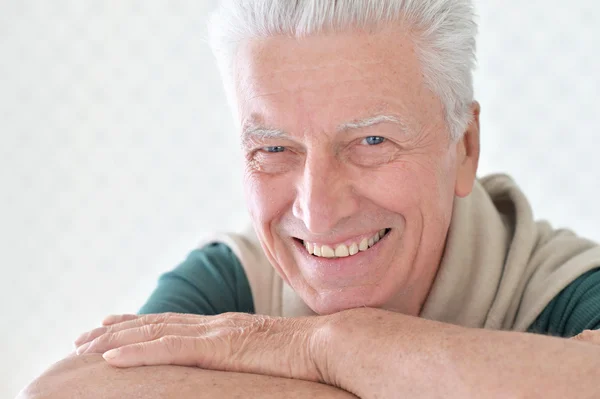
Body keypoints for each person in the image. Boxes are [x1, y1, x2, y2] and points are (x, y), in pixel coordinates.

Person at [19, 1, 600, 398]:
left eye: (371, 141)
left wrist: (326, 348)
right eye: (274, 149)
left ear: (465, 148)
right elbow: (61, 393)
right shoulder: (232, 283)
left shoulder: (566, 287)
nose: (318, 212)